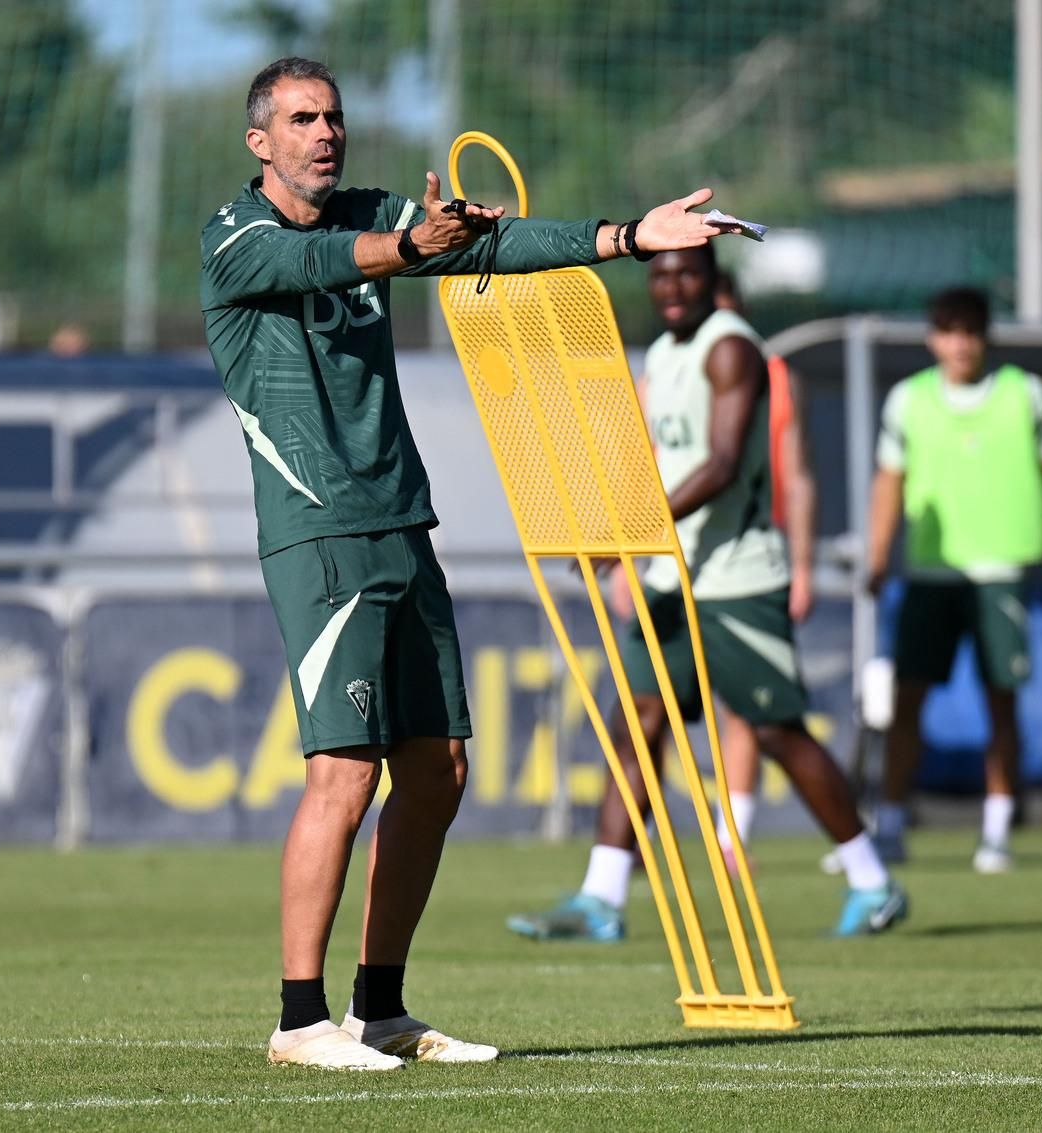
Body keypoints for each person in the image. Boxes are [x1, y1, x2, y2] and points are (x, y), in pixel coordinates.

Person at [201, 57, 751, 1071]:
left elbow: (493, 244)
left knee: (437, 769)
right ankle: (295, 1018)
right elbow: (328, 264)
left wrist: (629, 236)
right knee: (342, 769)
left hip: (402, 523)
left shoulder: (368, 214)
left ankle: (378, 1007)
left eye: (333, 116)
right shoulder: (233, 240)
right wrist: (410, 243)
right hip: (319, 534)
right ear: (259, 141)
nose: (325, 132)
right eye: (302, 119)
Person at [506, 245, 908, 944]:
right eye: (659, 273)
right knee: (636, 718)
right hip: (670, 570)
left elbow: (722, 465)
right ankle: (602, 896)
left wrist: (627, 532)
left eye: (686, 273)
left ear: (715, 280)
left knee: (779, 730)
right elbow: (662, 460)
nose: (670, 285)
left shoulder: (732, 350)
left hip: (737, 579)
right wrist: (625, 536)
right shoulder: (663, 352)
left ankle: (872, 878)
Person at [865, 286, 1042, 873]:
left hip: (1000, 572)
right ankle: (890, 825)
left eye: (970, 331)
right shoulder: (907, 401)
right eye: (948, 330)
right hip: (932, 574)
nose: (959, 344)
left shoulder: (1025, 394)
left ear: (985, 336)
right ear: (933, 337)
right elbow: (888, 481)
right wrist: (877, 554)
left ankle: (996, 833)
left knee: (1002, 701)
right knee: (908, 699)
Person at [707, 269, 816, 876]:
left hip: (746, 566)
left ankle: (732, 835)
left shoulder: (775, 378)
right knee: (648, 706)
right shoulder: (667, 371)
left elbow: (797, 478)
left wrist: (802, 565)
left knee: (752, 709)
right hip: (676, 565)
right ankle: (622, 851)